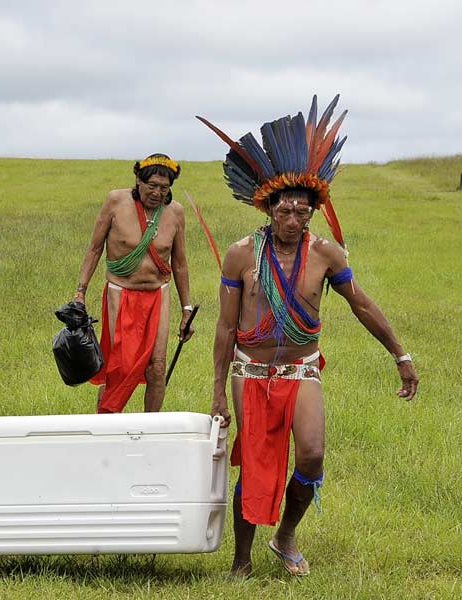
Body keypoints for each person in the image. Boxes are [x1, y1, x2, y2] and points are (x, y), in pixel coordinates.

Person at [199, 96, 418, 577]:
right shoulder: (240, 255)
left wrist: (400, 354)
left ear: (312, 213)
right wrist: (218, 389)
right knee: (255, 463)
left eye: (303, 212)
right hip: (250, 369)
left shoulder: (326, 255)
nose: (294, 221)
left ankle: (286, 535)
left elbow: (361, 303)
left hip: (301, 368)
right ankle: (240, 564)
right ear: (269, 206)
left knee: (313, 454)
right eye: (286, 211)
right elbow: (223, 326)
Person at [74, 154, 194, 414]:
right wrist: (80, 292)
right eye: (151, 185)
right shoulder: (116, 201)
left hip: (158, 295)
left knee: (157, 366)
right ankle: (106, 423)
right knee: (120, 365)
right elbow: (94, 249)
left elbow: (180, 264)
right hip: (120, 292)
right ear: (138, 180)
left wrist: (186, 310)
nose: (157, 192)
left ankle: (150, 427)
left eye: (164, 188)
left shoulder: (175, 213)